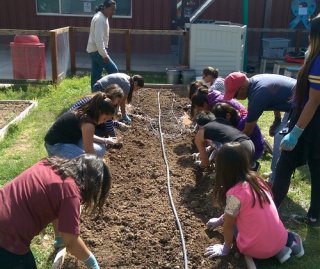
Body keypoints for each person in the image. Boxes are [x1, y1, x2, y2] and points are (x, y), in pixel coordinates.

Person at [0, 154, 111, 269]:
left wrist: (59, 238)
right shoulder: (70, 192)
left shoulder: (50, 165)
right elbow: (71, 242)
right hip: (7, 238)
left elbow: (56, 206)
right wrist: (92, 262)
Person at [204, 143, 304, 263]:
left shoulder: (234, 195)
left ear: (223, 168)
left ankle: (276, 250)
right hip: (279, 239)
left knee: (235, 222)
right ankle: (282, 249)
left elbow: (228, 224)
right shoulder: (256, 180)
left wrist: (225, 249)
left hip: (254, 250)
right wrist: (220, 219)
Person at [272, 14, 320, 227]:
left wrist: (296, 132)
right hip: (313, 122)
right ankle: (315, 217)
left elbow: (314, 101)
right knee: (318, 169)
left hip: (310, 123)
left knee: (284, 165)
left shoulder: (318, 60)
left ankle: (268, 215)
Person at [223, 72, 296, 182]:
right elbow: (275, 96)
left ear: (242, 88)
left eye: (234, 95)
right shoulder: (256, 81)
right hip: (293, 103)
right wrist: (277, 119)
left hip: (304, 105)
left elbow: (247, 131)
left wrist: (230, 147)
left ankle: (275, 179)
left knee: (280, 139)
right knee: (279, 134)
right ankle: (276, 172)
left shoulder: (257, 95)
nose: (235, 98)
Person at [45, 92, 116, 159]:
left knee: (99, 151)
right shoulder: (88, 123)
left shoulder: (87, 112)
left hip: (69, 140)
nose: (104, 122)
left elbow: (88, 135)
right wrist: (98, 167)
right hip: (55, 146)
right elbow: (90, 152)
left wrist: (105, 140)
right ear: (100, 112)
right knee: (83, 164)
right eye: (104, 119)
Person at [87, 0, 118, 89]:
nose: (113, 12)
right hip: (97, 51)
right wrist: (104, 55)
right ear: (105, 7)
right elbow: (99, 40)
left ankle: (94, 96)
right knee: (114, 71)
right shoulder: (100, 19)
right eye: (111, 9)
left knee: (96, 75)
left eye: (114, 9)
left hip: (94, 50)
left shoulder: (102, 17)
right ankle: (112, 94)